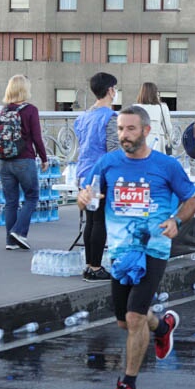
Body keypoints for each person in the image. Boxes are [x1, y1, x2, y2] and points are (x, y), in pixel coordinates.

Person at [77, 106, 195, 389]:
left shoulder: (166, 165)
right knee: (125, 322)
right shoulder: (107, 163)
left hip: (153, 248)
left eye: (130, 129)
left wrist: (176, 221)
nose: (124, 135)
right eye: (120, 129)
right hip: (120, 252)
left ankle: (128, 387)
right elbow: (89, 193)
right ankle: (162, 327)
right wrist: (84, 198)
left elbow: (191, 199)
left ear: (146, 131)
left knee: (133, 317)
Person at [74, 72, 120, 282]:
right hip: (101, 174)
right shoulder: (111, 117)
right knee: (100, 220)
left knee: (91, 221)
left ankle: (89, 265)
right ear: (111, 90)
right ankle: (95, 266)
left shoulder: (83, 117)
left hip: (83, 172)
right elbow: (112, 149)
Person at [0, 75, 48, 250]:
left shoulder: (3, 111)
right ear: (25, 89)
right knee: (32, 196)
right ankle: (19, 231)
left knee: (11, 201)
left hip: (4, 161)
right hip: (24, 159)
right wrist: (44, 158)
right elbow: (36, 138)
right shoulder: (30, 110)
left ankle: (10, 242)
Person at [134, 82, 175, 155]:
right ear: (155, 94)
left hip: (139, 144)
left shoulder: (135, 108)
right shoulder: (162, 107)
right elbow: (168, 128)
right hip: (157, 144)